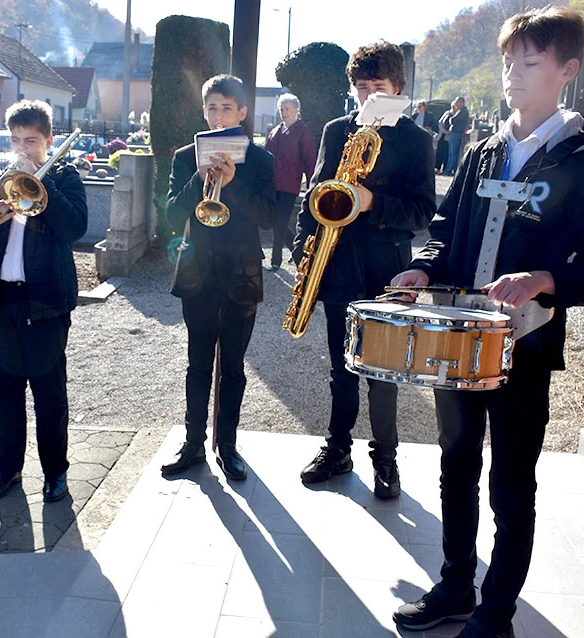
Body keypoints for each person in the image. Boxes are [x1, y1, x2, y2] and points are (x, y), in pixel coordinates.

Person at [390, 8, 584, 636]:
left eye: (529, 63)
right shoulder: (482, 152)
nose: (512, 75)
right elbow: (444, 232)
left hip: (523, 348)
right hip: (459, 340)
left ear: (567, 71)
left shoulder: (583, 165)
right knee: (456, 464)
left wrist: (548, 280)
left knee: (510, 482)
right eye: (507, 62)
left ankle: (497, 612)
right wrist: (423, 267)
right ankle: (455, 586)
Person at [295, 40, 435, 498]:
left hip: (385, 273)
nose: (369, 95)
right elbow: (314, 196)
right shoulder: (336, 130)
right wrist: (303, 252)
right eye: (361, 87)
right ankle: (337, 449)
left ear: (398, 87)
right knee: (341, 367)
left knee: (383, 373)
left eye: (379, 86)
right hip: (336, 264)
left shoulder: (416, 140)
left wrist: (372, 203)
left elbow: (420, 213)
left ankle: (386, 459)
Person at [0, 99, 87, 504]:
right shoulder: (0, 180)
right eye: (16, 140)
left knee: (49, 393)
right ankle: (7, 470)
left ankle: (55, 473)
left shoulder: (65, 176)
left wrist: (42, 182)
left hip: (46, 303)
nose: (22, 149)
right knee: (5, 391)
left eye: (30, 141)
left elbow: (74, 228)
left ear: (48, 140)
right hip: (3, 301)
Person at [161, 74, 277, 481]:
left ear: (243, 113)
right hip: (197, 273)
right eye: (211, 107)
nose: (217, 115)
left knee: (233, 366)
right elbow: (172, 216)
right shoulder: (183, 157)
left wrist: (233, 183)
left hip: (240, 275)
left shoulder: (261, 160)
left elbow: (268, 217)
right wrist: (201, 178)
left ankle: (226, 446)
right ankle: (193, 443)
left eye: (226, 107)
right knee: (197, 363)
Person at [265, 93, 316, 271]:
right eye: (281, 109)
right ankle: (298, 253)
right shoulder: (274, 131)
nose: (284, 112)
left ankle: (275, 261)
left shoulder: (303, 131)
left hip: (289, 184)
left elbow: (310, 160)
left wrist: (312, 186)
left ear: (296, 109)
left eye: (287, 109)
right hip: (272, 183)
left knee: (279, 222)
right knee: (274, 221)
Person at [444, 95, 470, 175]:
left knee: (454, 153)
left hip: (457, 133)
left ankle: (450, 169)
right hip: (454, 133)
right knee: (451, 152)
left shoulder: (463, 112)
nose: (456, 104)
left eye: (457, 102)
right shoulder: (460, 111)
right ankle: (448, 168)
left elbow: (452, 120)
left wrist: (452, 119)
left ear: (462, 103)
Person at [435, 103, 455, 173]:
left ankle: (444, 169)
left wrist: (448, 131)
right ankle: (437, 168)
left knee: (446, 152)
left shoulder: (456, 115)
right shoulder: (447, 113)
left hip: (449, 136)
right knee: (439, 151)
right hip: (442, 134)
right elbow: (440, 122)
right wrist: (443, 130)